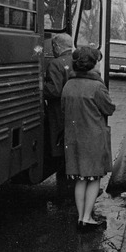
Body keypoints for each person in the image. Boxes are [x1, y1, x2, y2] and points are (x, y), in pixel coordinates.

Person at [61, 47, 116, 232]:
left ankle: (80, 217)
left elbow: (63, 109)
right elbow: (108, 109)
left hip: (73, 138)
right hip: (93, 138)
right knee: (93, 178)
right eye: (98, 60)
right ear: (92, 64)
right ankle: (87, 218)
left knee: (80, 179)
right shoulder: (97, 86)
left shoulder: (68, 85)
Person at [44, 33, 74, 192]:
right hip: (75, 114)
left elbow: (54, 90)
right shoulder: (77, 60)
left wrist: (41, 88)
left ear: (57, 47)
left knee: (61, 153)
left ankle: (64, 191)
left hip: (59, 114)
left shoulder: (55, 64)